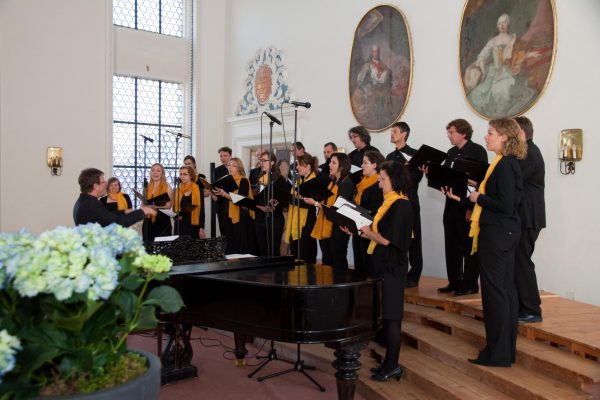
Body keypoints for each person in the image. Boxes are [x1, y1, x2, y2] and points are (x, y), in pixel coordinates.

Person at [444, 117, 525, 367]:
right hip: (501, 233)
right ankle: (503, 351)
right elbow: (500, 197)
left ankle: (498, 353)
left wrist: (478, 197)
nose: (485, 137)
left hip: (498, 234)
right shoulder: (501, 164)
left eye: (490, 133)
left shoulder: (505, 165)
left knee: (496, 294)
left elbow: (506, 205)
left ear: (504, 137)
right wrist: (469, 193)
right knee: (504, 292)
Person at [356, 161, 413, 381]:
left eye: (382, 180)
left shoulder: (402, 205)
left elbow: (390, 241)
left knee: (392, 318)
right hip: (382, 265)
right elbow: (381, 233)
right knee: (386, 316)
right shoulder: (389, 202)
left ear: (395, 179)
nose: (379, 184)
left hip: (392, 267)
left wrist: (369, 233)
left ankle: (392, 366)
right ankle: (388, 365)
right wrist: (363, 232)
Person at [437, 119, 488, 295]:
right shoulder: (451, 152)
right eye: (448, 132)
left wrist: (470, 208)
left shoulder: (478, 151)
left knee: (468, 247)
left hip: (467, 205)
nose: (449, 135)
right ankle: (454, 281)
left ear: (463, 133)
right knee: (451, 246)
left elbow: (481, 182)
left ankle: (469, 284)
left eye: (451, 132)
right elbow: (445, 175)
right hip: (451, 204)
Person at [464, 13, 536, 118]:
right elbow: (482, 56)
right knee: (478, 94)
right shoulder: (493, 41)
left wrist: (528, 55)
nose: (502, 26)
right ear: (497, 26)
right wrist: (484, 71)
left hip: (509, 70)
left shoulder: (513, 39)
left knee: (503, 89)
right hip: (493, 71)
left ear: (508, 24)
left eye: (504, 23)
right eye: (499, 24)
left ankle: (502, 116)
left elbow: (520, 53)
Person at [514, 116, 546, 323]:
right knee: (518, 261)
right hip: (523, 215)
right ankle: (522, 306)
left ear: (521, 134)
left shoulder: (529, 154)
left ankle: (532, 309)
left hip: (528, 216)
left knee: (522, 262)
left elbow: (512, 181)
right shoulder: (524, 153)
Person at [386, 121, 423, 287]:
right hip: (393, 201)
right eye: (391, 131)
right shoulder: (389, 157)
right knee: (395, 237)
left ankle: (414, 275)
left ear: (404, 134)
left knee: (414, 239)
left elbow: (416, 178)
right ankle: (398, 270)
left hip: (410, 200)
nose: (391, 134)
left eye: (394, 131)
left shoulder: (415, 155)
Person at [304, 152, 355, 269]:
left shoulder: (347, 184)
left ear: (341, 166)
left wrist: (315, 203)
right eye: (330, 162)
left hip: (338, 228)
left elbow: (338, 209)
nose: (330, 165)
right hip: (326, 224)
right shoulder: (332, 183)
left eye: (334, 163)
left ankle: (341, 287)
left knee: (338, 261)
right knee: (327, 261)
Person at [73, 168, 155, 227]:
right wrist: (142, 211)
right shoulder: (92, 204)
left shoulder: (84, 200)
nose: (106, 184)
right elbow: (117, 222)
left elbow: (105, 216)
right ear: (96, 186)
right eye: (103, 182)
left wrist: (123, 212)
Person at [212, 157, 256, 255]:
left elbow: (240, 199)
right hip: (228, 216)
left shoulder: (243, 180)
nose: (230, 167)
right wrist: (212, 192)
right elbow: (219, 200)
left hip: (241, 217)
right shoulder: (226, 180)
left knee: (240, 247)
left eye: (233, 165)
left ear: (239, 168)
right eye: (229, 165)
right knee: (230, 246)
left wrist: (224, 194)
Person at [352, 151, 385, 274]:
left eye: (365, 162)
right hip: (359, 229)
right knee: (359, 266)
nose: (362, 165)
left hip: (369, 231)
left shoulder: (378, 186)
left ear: (375, 165)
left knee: (368, 268)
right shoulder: (362, 183)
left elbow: (375, 211)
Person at [283, 153, 320, 263]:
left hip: (306, 221)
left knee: (305, 253)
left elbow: (309, 202)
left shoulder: (314, 181)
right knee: (295, 252)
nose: (297, 167)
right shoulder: (299, 180)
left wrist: (291, 199)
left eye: (299, 165)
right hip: (296, 218)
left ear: (308, 166)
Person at [254, 151, 285, 256]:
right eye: (260, 160)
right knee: (262, 250)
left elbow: (283, 200)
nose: (261, 163)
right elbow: (257, 198)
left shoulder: (279, 179)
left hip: (274, 219)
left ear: (272, 162)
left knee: (273, 251)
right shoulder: (260, 178)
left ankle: (276, 273)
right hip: (260, 218)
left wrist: (273, 205)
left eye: (264, 160)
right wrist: (257, 205)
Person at [354, 45, 393, 127]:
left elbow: (388, 81)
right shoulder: (367, 65)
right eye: (374, 51)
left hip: (382, 93)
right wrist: (368, 88)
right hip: (371, 93)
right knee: (373, 113)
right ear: (371, 53)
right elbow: (360, 80)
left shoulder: (384, 65)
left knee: (383, 111)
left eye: (378, 51)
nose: (376, 53)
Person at [142, 163, 174, 242]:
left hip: (162, 222)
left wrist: (155, 207)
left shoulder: (167, 187)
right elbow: (142, 205)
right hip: (148, 222)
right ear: (150, 173)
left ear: (162, 173)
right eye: (153, 170)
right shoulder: (146, 187)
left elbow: (169, 206)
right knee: (148, 248)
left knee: (162, 250)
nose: (155, 172)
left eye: (158, 171)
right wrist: (144, 207)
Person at [173, 165, 204, 238]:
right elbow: (175, 208)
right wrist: (176, 216)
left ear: (191, 176)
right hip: (179, 225)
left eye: (185, 174)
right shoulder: (178, 190)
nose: (182, 176)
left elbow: (201, 210)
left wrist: (201, 228)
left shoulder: (198, 189)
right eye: (180, 174)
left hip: (193, 225)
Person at [213, 146, 232, 234]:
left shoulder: (235, 168)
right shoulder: (217, 170)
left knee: (233, 232)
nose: (223, 158)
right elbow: (215, 186)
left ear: (230, 156)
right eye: (221, 156)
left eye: (225, 155)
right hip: (221, 204)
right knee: (223, 232)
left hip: (232, 203)